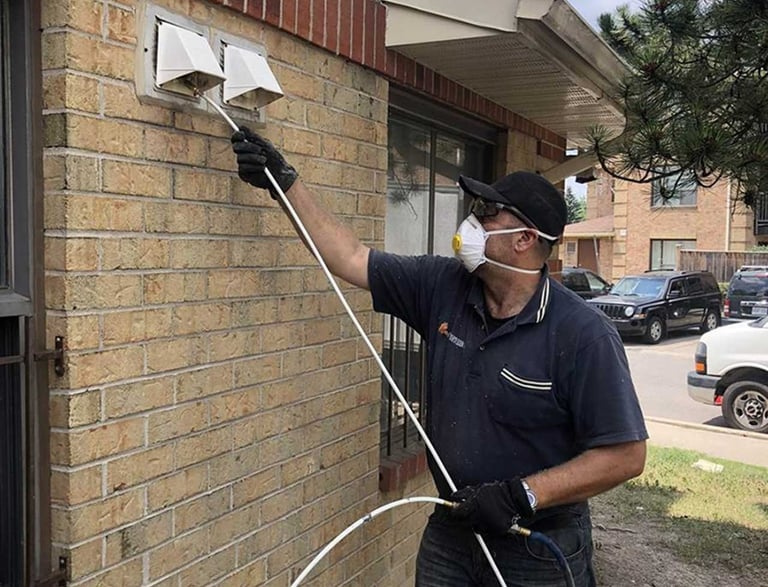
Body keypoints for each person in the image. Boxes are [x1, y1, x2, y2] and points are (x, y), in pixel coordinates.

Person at [231, 127, 648, 587]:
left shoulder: (582, 335)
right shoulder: (442, 286)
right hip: (453, 530)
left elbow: (624, 455)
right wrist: (285, 183)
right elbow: (349, 257)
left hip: (535, 546)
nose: (471, 222)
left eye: (487, 214)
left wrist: (522, 494)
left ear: (525, 239)